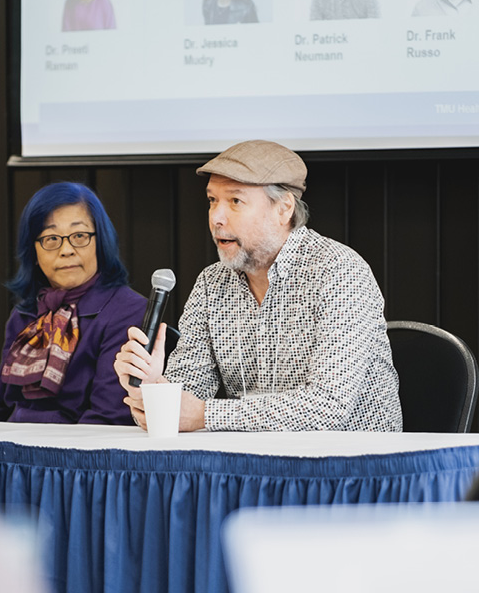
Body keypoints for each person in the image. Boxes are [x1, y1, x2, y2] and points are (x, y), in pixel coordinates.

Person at [114, 140, 402, 433]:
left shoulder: (339, 271)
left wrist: (205, 415)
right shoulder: (211, 284)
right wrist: (152, 389)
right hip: (254, 457)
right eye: (212, 200)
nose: (216, 217)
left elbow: (328, 407)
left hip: (354, 457)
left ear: (284, 209)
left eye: (235, 201)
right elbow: (184, 406)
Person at [0, 182, 146, 424]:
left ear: (100, 243)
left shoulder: (127, 310)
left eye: (79, 236)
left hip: (80, 446)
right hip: (12, 444)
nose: (66, 250)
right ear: (34, 252)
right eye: (51, 238)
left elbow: (106, 419)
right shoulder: (25, 313)